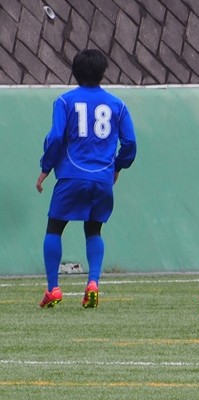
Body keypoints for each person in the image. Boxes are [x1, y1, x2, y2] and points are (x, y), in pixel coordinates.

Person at [36, 49, 137, 308]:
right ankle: (93, 283)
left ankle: (53, 289)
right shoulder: (117, 105)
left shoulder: (64, 101)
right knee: (94, 229)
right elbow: (130, 143)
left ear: (74, 72)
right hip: (102, 179)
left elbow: (56, 137)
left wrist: (46, 167)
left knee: (54, 228)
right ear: (103, 73)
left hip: (71, 176)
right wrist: (117, 166)